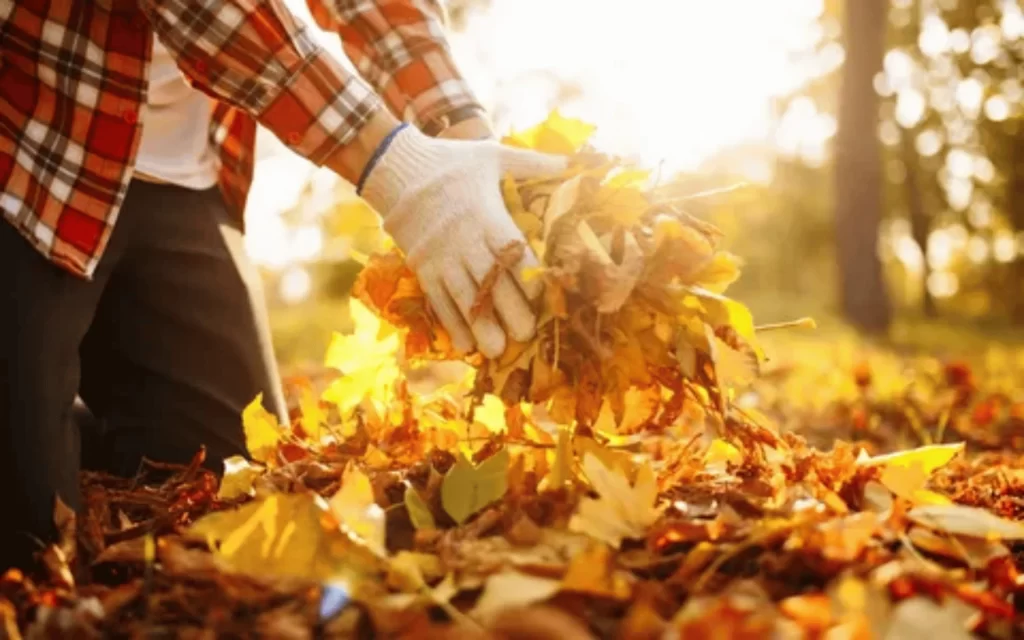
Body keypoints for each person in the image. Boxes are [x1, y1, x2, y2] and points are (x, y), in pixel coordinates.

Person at [0, 0, 564, 571]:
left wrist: (461, 141)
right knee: (30, 548)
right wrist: (397, 169)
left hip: (178, 176)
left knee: (226, 492)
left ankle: (51, 420)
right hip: (24, 149)